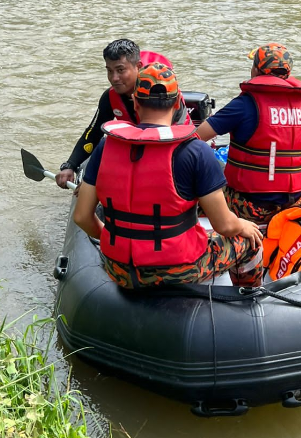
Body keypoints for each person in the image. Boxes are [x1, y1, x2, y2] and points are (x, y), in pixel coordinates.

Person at [72, 63, 264, 289]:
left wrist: (110, 237)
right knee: (249, 240)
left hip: (119, 268)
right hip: (177, 270)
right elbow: (225, 226)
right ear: (177, 103)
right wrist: (243, 225)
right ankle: (249, 298)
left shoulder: (105, 148)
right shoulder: (196, 151)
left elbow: (82, 217)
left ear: (135, 102)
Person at [195, 43, 301, 227]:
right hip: (295, 204)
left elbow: (196, 138)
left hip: (251, 206)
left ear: (257, 71)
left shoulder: (244, 104)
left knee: (203, 188)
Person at [56, 39, 188, 188]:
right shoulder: (110, 97)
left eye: (120, 70)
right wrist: (70, 165)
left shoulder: (162, 95)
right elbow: (93, 133)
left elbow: (167, 144)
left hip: (171, 148)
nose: (114, 78)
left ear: (138, 67)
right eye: (109, 71)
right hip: (136, 146)